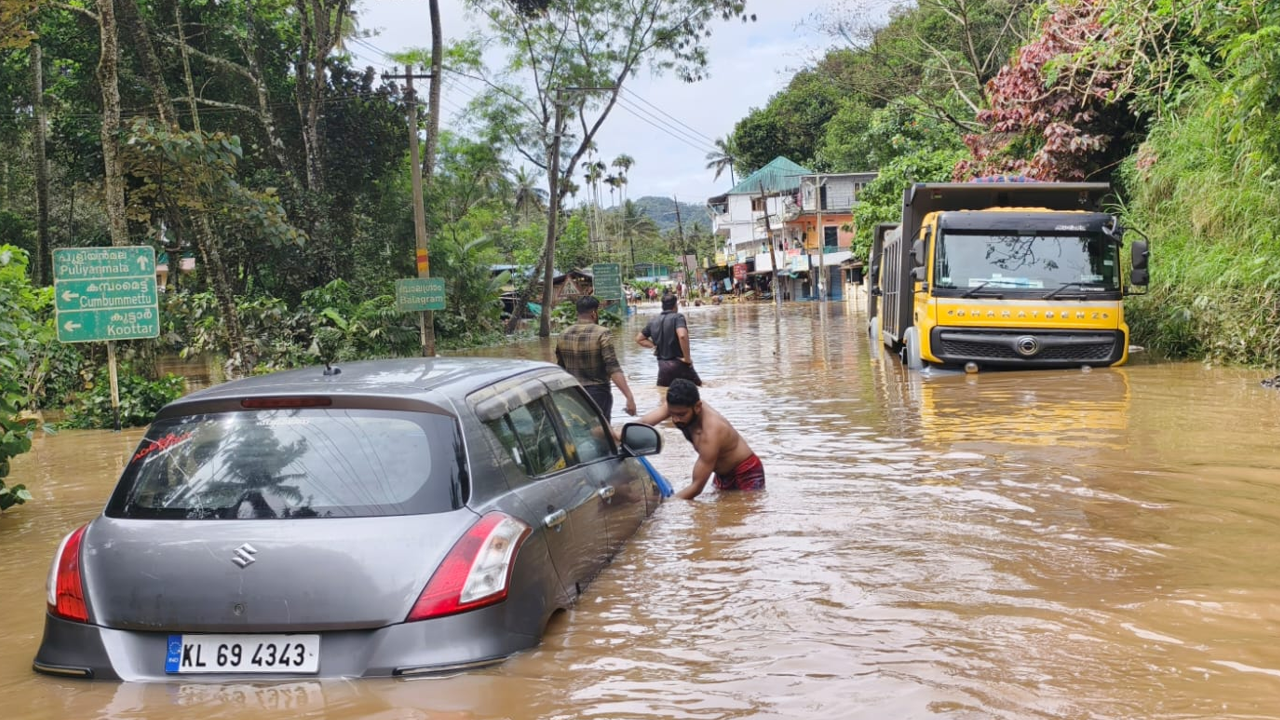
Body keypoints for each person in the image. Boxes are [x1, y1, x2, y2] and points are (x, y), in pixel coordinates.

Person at [639, 379, 764, 499]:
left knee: (744, 513)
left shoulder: (711, 432)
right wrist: (620, 434)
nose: (676, 419)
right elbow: (643, 423)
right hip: (722, 474)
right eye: (672, 414)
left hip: (747, 473)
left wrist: (668, 505)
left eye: (681, 415)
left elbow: (697, 487)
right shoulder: (678, 407)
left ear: (698, 407)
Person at [555, 295, 636, 422]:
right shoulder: (602, 333)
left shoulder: (563, 334)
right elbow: (613, 367)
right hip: (598, 393)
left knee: (581, 434)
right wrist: (629, 396)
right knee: (601, 434)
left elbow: (560, 368)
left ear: (577, 313)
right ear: (594, 313)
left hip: (574, 393)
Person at [635, 293, 702, 389]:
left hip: (663, 367)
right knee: (697, 392)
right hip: (680, 364)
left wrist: (655, 346)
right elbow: (682, 336)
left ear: (662, 306)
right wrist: (687, 359)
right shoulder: (678, 317)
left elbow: (639, 339)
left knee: (664, 396)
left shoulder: (653, 321)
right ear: (675, 305)